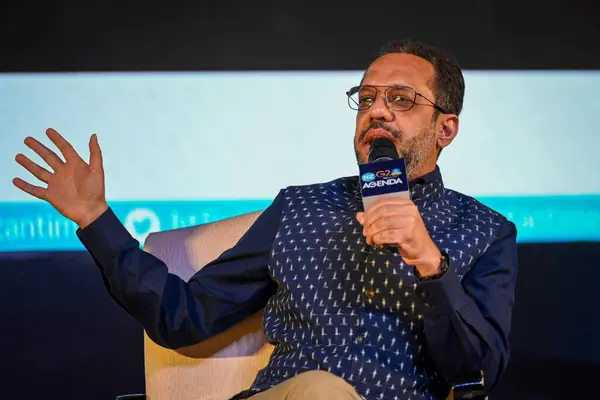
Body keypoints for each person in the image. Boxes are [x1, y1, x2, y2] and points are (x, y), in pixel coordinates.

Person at [12, 39, 518, 400]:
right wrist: (96, 219)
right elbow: (182, 316)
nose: (376, 111)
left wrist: (430, 262)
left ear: (445, 128)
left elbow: (475, 371)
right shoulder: (300, 208)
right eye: (366, 98)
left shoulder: (484, 231)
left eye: (401, 99)